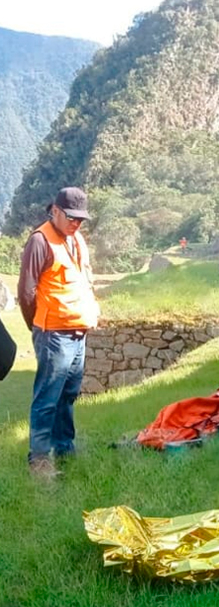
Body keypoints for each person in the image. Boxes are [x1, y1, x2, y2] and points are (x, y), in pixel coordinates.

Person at [17, 187, 99, 480]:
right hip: (53, 334)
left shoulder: (76, 239)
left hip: (78, 332)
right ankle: (39, 460)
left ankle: (65, 448)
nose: (76, 223)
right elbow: (26, 292)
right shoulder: (40, 241)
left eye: (81, 219)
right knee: (47, 398)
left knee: (68, 394)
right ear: (55, 211)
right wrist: (38, 326)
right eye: (71, 217)